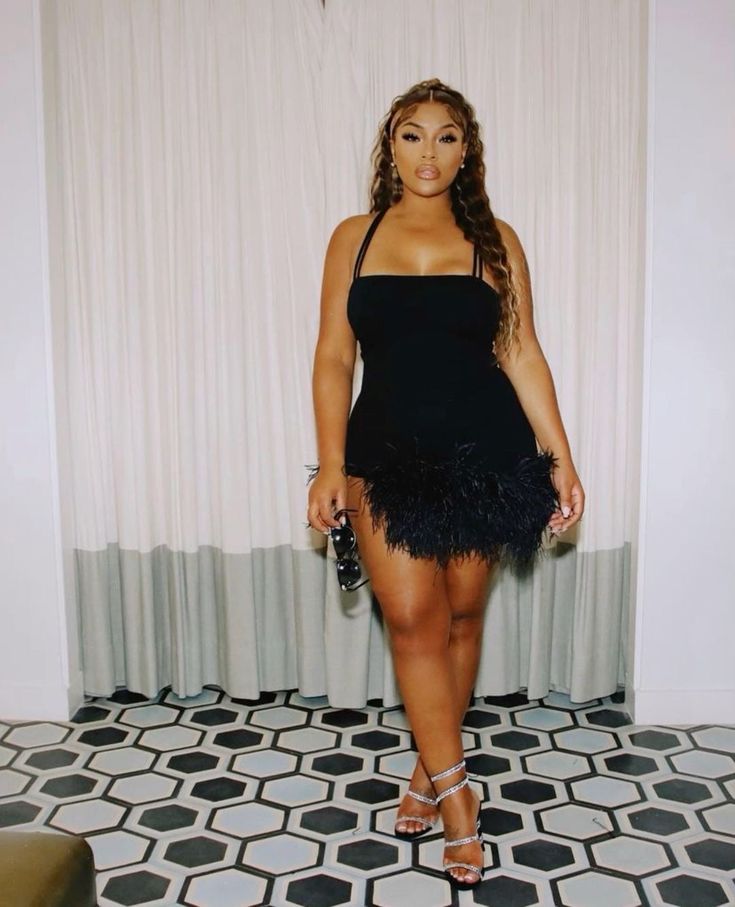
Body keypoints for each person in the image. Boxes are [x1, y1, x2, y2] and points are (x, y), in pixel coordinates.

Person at [305, 78, 585, 890]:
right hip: (383, 456)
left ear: (467, 151)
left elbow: (520, 351)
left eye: (446, 136)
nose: (428, 151)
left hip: (483, 453)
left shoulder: (492, 238)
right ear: (389, 147)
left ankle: (428, 768)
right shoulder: (353, 237)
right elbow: (333, 356)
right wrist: (330, 462)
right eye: (412, 134)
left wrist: (561, 455)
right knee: (412, 620)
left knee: (461, 618)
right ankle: (459, 797)